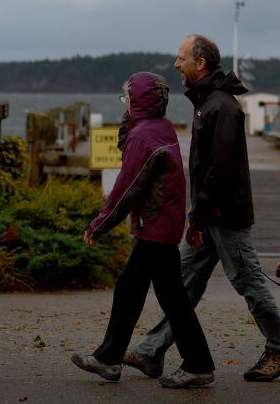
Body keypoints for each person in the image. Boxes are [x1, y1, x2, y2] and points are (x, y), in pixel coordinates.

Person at [123, 35, 280, 382]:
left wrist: (198, 215)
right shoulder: (208, 103)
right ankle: (151, 352)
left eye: (181, 58)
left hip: (224, 216)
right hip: (208, 214)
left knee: (248, 280)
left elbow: (220, 170)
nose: (176, 65)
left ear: (200, 63)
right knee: (183, 281)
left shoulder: (222, 107)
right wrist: (198, 213)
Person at [72, 72, 215, 389]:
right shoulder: (159, 127)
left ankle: (115, 360)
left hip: (156, 225)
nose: (125, 103)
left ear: (141, 101)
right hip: (165, 222)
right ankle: (117, 360)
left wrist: (99, 224)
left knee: (134, 291)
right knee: (162, 295)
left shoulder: (144, 136)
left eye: (128, 98)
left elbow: (127, 188)